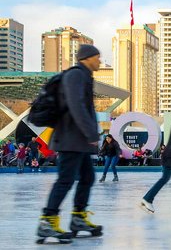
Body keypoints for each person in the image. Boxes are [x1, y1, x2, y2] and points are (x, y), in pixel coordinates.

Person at [37, 44, 103, 244]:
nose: (100, 61)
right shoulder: (75, 75)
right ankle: (47, 222)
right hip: (69, 139)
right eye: (97, 57)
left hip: (78, 140)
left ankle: (78, 218)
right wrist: (91, 132)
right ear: (87, 58)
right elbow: (77, 107)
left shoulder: (84, 76)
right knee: (65, 180)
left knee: (87, 178)